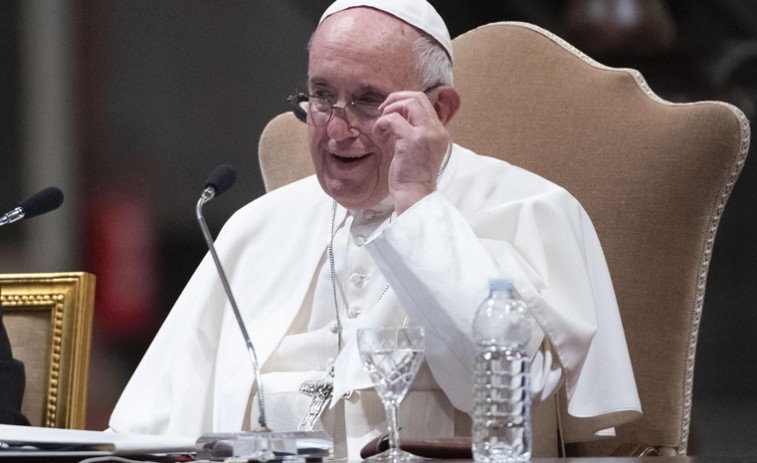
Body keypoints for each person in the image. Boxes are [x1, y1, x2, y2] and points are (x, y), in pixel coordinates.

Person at [110, 0, 641, 457]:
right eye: (321, 96)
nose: (337, 130)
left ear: (439, 109)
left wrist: (418, 202)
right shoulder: (256, 228)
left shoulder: (533, 210)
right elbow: (149, 429)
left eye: (368, 101)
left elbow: (505, 393)